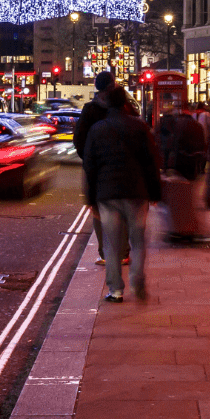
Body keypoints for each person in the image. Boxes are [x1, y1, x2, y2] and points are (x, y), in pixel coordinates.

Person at [82, 85, 162, 303]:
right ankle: (137, 281)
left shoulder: (98, 129)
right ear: (125, 103)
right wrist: (155, 192)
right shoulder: (140, 127)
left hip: (107, 194)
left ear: (107, 103)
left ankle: (116, 290)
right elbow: (151, 161)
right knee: (137, 239)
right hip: (137, 192)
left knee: (111, 242)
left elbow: (90, 165)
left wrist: (90, 198)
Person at [73, 71, 130, 266]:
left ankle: (106, 253)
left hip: (97, 168)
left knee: (98, 211)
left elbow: (79, 140)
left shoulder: (90, 110)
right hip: (122, 167)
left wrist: (89, 161)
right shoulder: (124, 107)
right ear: (111, 86)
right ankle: (122, 252)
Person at [156, 102, 209, 244]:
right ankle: (188, 229)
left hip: (175, 165)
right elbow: (202, 146)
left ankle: (177, 229)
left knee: (175, 200)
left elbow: (165, 143)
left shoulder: (173, 124)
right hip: (191, 167)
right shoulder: (196, 125)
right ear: (190, 111)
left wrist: (165, 165)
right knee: (190, 200)